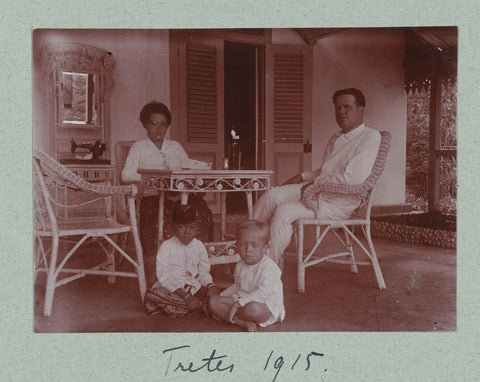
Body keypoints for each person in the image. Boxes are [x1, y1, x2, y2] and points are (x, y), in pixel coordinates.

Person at [253, 88, 381, 268]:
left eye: (347, 107)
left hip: (339, 203)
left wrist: (314, 184)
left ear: (361, 110)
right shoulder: (335, 138)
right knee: (270, 196)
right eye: (338, 108)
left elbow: (353, 178)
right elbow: (325, 171)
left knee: (284, 212)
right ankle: (253, 250)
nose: (341, 111)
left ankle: (268, 268)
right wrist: (303, 176)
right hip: (316, 193)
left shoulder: (370, 137)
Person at [121, 101, 213, 285]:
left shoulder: (175, 146)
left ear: (167, 126)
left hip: (179, 197)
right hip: (153, 197)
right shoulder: (139, 148)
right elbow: (126, 175)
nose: (158, 128)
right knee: (153, 215)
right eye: (154, 123)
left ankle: (195, 266)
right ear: (145, 125)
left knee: (201, 209)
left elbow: (187, 169)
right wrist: (154, 178)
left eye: (163, 124)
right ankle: (161, 271)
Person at [209, 220, 285, 332]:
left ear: (265, 248)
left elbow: (264, 293)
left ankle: (229, 315)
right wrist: (221, 296)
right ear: (237, 245)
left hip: (264, 306)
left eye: (254, 245)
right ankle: (242, 322)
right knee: (213, 302)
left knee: (252, 309)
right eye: (243, 245)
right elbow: (237, 286)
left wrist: (238, 304)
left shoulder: (269, 267)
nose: (248, 250)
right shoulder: (240, 264)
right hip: (242, 300)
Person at [144, 204, 219, 317]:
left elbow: (203, 273)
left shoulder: (199, 246)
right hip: (171, 289)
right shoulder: (166, 246)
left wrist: (211, 286)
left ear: (198, 227)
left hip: (192, 288)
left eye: (192, 227)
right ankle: (199, 306)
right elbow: (164, 278)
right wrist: (186, 297)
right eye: (182, 227)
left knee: (215, 294)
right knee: (152, 295)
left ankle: (186, 307)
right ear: (173, 227)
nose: (187, 232)